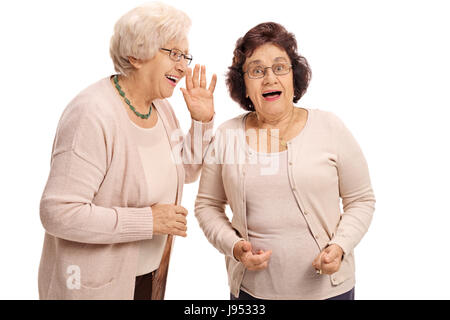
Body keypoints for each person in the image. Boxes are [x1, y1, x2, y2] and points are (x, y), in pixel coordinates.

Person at [38, 2, 217, 300]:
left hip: (147, 278)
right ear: (135, 55)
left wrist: (201, 122)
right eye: (173, 54)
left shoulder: (161, 108)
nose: (183, 67)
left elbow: (184, 170)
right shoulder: (92, 114)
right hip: (90, 288)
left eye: (185, 56)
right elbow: (58, 213)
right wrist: (147, 221)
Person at [195, 22, 375, 300]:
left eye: (280, 67)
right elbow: (207, 205)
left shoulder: (330, 127)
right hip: (251, 294)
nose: (270, 78)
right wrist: (235, 246)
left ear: (294, 78)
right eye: (257, 70)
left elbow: (361, 199)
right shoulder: (227, 135)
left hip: (330, 292)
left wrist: (340, 246)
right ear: (244, 86)